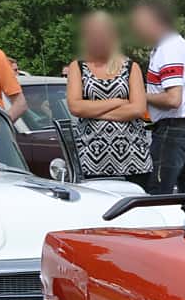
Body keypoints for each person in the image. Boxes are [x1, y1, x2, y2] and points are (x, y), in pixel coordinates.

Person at [64, 10, 151, 183]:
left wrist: (92, 111)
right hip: (90, 158)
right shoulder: (77, 67)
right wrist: (117, 102)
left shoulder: (131, 67)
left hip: (133, 158)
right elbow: (75, 107)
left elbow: (138, 109)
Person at [130, 0, 185, 195]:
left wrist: (138, 94)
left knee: (157, 195)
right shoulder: (178, 45)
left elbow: (173, 99)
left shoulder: (168, 49)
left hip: (172, 132)